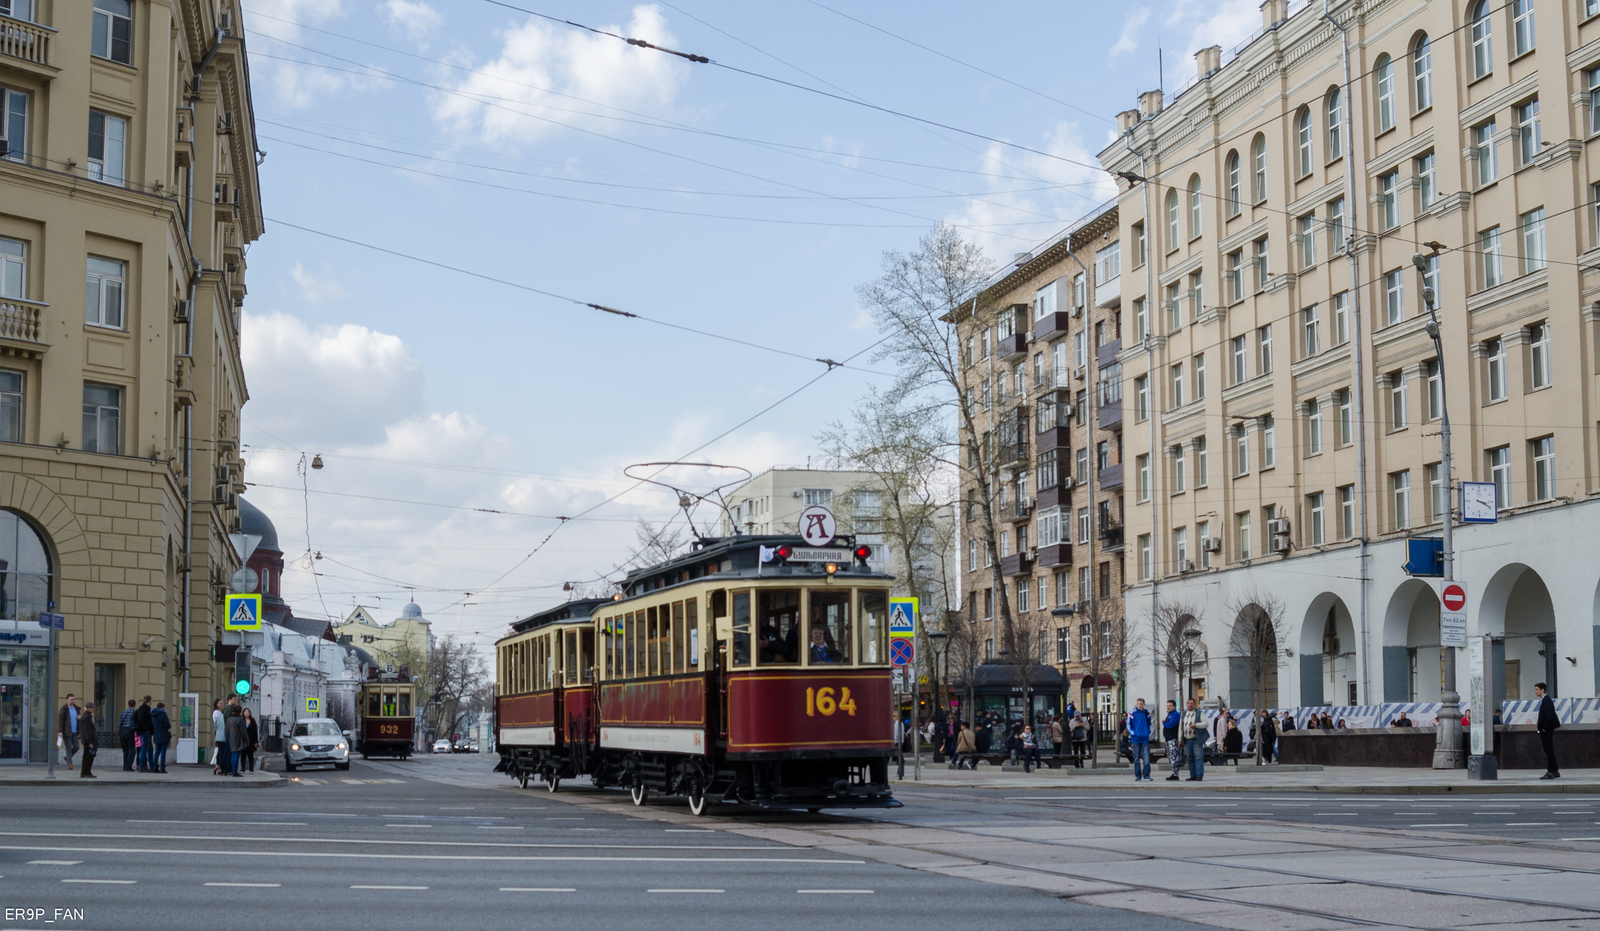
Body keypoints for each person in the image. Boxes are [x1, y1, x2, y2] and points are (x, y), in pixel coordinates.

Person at [1535, 682, 1560, 779]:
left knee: (1548, 750)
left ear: (1542, 690)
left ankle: (1551, 772)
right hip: (1546, 729)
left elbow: (1549, 716)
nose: (1535, 691)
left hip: (1546, 730)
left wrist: (1544, 728)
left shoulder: (1546, 700)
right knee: (1549, 750)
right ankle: (1555, 770)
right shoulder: (1545, 700)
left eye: (1537, 689)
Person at [1181, 699, 1208, 782]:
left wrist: (1196, 725)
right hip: (1187, 739)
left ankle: (1199, 775)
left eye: (1191, 703)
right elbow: (1180, 727)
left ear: (1195, 704)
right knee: (1190, 758)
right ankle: (1193, 775)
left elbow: (1206, 723)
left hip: (1196, 739)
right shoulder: (1183, 714)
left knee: (1198, 758)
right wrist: (1179, 739)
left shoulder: (1199, 713)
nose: (1190, 705)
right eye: (1188, 703)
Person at [1126, 699, 1153, 782]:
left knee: (1146, 758)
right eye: (1138, 704)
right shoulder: (1132, 713)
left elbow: (1149, 723)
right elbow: (1128, 725)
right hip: (1135, 739)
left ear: (1144, 704)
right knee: (1136, 758)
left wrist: (1148, 732)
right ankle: (1138, 776)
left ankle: (1146, 775)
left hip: (1145, 738)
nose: (1139, 705)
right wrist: (1133, 733)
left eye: (1141, 704)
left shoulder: (1147, 713)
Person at [56, 694, 80, 770]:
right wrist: (60, 731)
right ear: (67, 700)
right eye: (71, 699)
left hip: (75, 731)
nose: (73, 701)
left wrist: (80, 718)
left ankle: (67, 757)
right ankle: (70, 763)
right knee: (68, 747)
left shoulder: (77, 708)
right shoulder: (64, 709)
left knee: (77, 747)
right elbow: (61, 721)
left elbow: (79, 721)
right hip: (67, 731)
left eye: (74, 699)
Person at [225, 699, 247, 777]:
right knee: (237, 755)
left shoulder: (229, 720)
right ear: (239, 711)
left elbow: (227, 731)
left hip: (231, 739)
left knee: (233, 755)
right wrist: (247, 740)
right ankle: (235, 771)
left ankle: (232, 770)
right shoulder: (240, 720)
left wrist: (229, 738)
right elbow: (244, 732)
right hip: (238, 740)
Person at [1162, 699, 1182, 781]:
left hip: (1173, 739)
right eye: (1167, 706)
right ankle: (1173, 772)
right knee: (1170, 756)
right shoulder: (1169, 715)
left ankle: (1175, 774)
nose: (1168, 707)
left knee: (1173, 756)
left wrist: (1164, 723)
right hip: (1167, 739)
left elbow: (1171, 724)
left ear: (1174, 706)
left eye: (1170, 706)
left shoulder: (1175, 714)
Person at [77, 703, 99, 778]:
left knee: (87, 757)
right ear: (87, 708)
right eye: (91, 708)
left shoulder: (85, 716)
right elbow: (87, 731)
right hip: (88, 741)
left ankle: (85, 772)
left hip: (86, 740)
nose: (93, 709)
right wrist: (90, 742)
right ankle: (86, 772)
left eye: (93, 707)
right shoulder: (86, 717)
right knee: (88, 757)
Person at [134, 696, 154, 773]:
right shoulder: (143, 709)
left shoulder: (144, 708)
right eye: (151, 700)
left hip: (146, 732)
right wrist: (147, 729)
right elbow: (141, 720)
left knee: (149, 750)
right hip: (144, 732)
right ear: (149, 700)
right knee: (144, 749)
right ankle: (142, 766)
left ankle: (151, 766)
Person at [151, 701, 171, 773]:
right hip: (163, 735)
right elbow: (167, 725)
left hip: (156, 734)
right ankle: (162, 767)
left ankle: (155, 767)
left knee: (156, 752)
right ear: (163, 707)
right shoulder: (163, 714)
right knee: (163, 752)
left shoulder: (152, 715)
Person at [118, 699, 137, 771]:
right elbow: (135, 723)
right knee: (132, 749)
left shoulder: (123, 712)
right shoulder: (134, 713)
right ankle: (128, 766)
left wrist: (120, 731)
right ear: (134, 705)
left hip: (123, 730)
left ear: (128, 705)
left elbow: (120, 723)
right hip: (130, 730)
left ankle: (125, 765)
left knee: (125, 749)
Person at [212, 699, 228, 775]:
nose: (221, 705)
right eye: (220, 703)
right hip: (220, 734)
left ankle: (217, 766)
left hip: (219, 734)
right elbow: (217, 724)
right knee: (221, 752)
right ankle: (219, 766)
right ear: (216, 704)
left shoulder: (222, 713)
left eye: (222, 703)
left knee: (219, 752)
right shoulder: (216, 713)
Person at [242, 708, 259, 773]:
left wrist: (256, 742)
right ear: (243, 713)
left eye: (248, 712)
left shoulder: (252, 721)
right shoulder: (241, 720)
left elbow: (255, 731)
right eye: (246, 712)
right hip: (243, 740)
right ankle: (243, 769)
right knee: (243, 755)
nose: (247, 713)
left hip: (251, 740)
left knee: (250, 755)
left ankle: (251, 769)